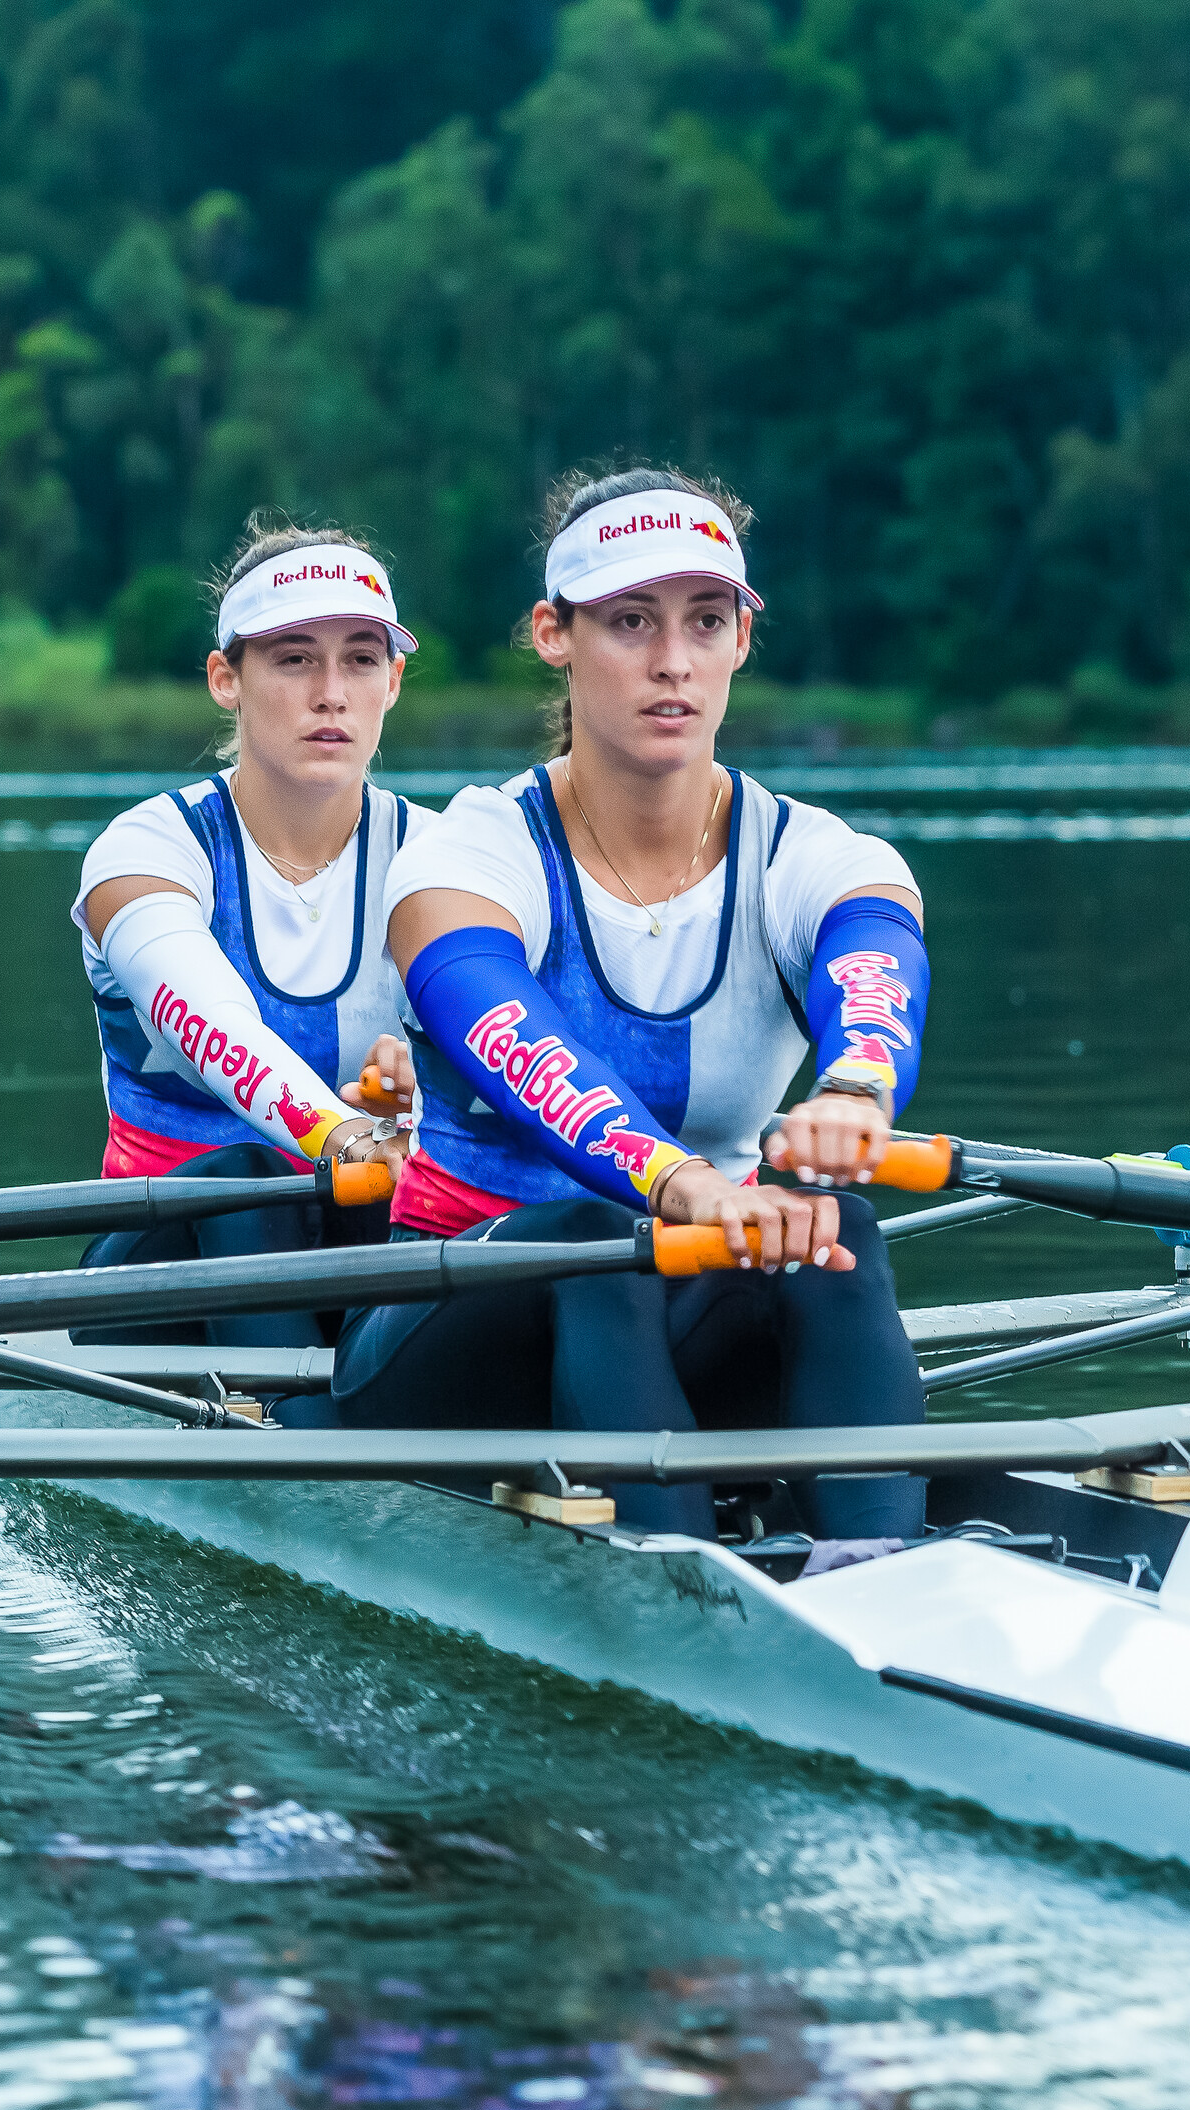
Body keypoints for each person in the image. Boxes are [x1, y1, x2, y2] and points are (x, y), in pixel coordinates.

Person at [333, 468, 935, 1543]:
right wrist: (682, 1182)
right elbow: (505, 1036)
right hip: (451, 1342)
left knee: (833, 1226)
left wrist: (855, 1089)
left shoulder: (816, 856)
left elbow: (872, 959)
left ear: (741, 640)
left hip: (675, 1328)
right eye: (628, 622)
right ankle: (681, 1581)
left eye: (705, 621)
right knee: (592, 1239)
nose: (672, 661)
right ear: (553, 633)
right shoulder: (467, 856)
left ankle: (882, 1561)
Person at [68, 519, 433, 1413]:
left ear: (394, 680)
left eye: (358, 659)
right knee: (247, 1170)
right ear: (226, 679)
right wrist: (339, 1127)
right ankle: (301, 1437)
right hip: (155, 1283)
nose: (331, 694)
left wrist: (426, 1098)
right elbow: (212, 1024)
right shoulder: (147, 849)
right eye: (294, 659)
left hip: (355, 1258)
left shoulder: (446, 859)